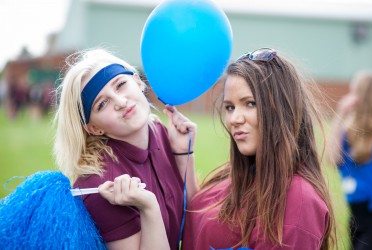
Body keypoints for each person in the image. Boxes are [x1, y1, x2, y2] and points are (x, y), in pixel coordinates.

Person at [183, 48, 336, 250]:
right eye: (230, 107)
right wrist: (182, 155)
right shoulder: (227, 177)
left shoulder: (298, 202)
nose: (235, 119)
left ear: (281, 109)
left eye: (250, 103)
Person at [53, 48, 198, 249]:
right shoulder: (101, 185)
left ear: (138, 81)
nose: (121, 102)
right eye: (102, 104)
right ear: (94, 128)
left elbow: (195, 221)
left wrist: (184, 155)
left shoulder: (161, 132)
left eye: (120, 85)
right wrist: (149, 208)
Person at [327, 71, 372, 250]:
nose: (350, 98)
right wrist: (339, 115)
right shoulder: (349, 132)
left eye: (354, 92)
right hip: (356, 213)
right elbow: (332, 157)